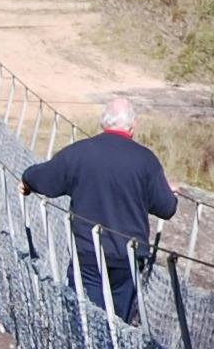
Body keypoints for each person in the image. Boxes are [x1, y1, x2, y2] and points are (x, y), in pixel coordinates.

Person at [20, 95, 178, 319]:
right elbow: (167, 208)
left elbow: (46, 180)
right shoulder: (146, 160)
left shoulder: (79, 153)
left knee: (87, 318)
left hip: (89, 254)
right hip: (129, 256)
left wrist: (27, 179)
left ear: (103, 123)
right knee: (119, 325)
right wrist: (164, 190)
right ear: (133, 126)